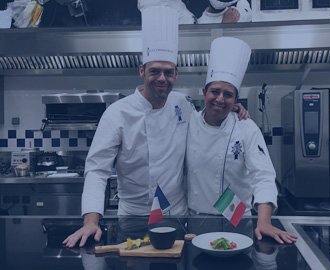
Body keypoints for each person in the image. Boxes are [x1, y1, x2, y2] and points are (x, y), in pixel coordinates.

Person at [63, 6, 248, 248]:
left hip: (177, 216)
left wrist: (229, 108)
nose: (162, 78)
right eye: (155, 71)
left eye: (168, 72)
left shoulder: (182, 104)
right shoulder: (116, 114)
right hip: (133, 219)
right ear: (142, 71)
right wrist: (90, 221)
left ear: (176, 74)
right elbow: (97, 170)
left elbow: (207, 125)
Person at [185, 36, 297, 244]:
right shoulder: (188, 123)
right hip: (195, 221)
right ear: (204, 93)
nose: (220, 99)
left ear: (236, 100)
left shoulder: (246, 127)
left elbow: (263, 176)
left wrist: (264, 221)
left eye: (228, 95)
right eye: (215, 91)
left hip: (237, 221)